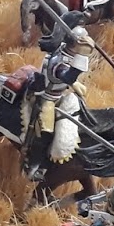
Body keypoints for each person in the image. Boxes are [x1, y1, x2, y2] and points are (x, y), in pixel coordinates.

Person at [25, 25, 93, 180]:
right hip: (48, 97)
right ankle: (35, 165)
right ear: (75, 44)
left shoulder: (63, 50)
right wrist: (82, 57)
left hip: (59, 94)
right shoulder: (60, 61)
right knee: (45, 131)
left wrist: (74, 84)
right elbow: (67, 76)